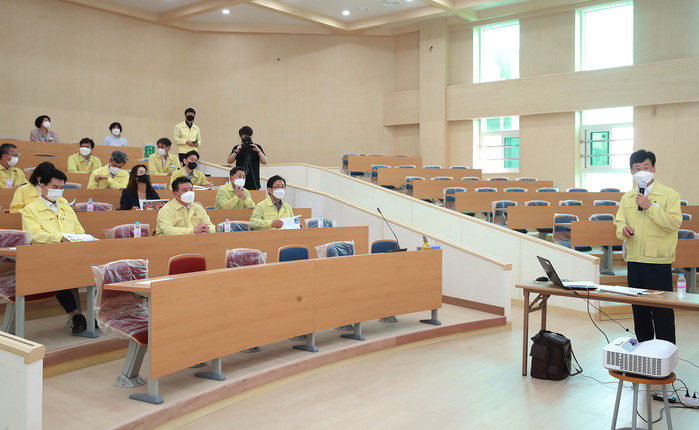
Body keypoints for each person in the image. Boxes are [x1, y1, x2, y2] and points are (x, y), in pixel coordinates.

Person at [614, 149, 682, 344]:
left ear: (653, 168)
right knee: (639, 309)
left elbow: (674, 223)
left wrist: (650, 207)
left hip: (658, 260)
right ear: (631, 171)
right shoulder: (628, 197)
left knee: (662, 310)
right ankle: (644, 348)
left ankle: (666, 349)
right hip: (635, 258)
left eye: (646, 167)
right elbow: (619, 222)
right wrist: (623, 229)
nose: (642, 171)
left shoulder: (669, 195)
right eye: (637, 168)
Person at [21, 167, 87, 334]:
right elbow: (34, 235)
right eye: (55, 187)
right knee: (58, 272)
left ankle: (95, 314)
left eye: (61, 188)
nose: (58, 191)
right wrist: (59, 238)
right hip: (45, 257)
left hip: (71, 255)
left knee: (97, 267)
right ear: (42, 186)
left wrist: (82, 239)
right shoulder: (30, 210)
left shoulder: (67, 209)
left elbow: (79, 231)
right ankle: (77, 316)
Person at [227, 126, 267, 190]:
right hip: (240, 181)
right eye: (245, 136)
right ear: (240, 136)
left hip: (254, 181)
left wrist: (258, 151)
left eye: (249, 136)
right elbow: (229, 161)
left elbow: (265, 162)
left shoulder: (256, 147)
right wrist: (236, 151)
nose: (247, 137)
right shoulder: (237, 147)